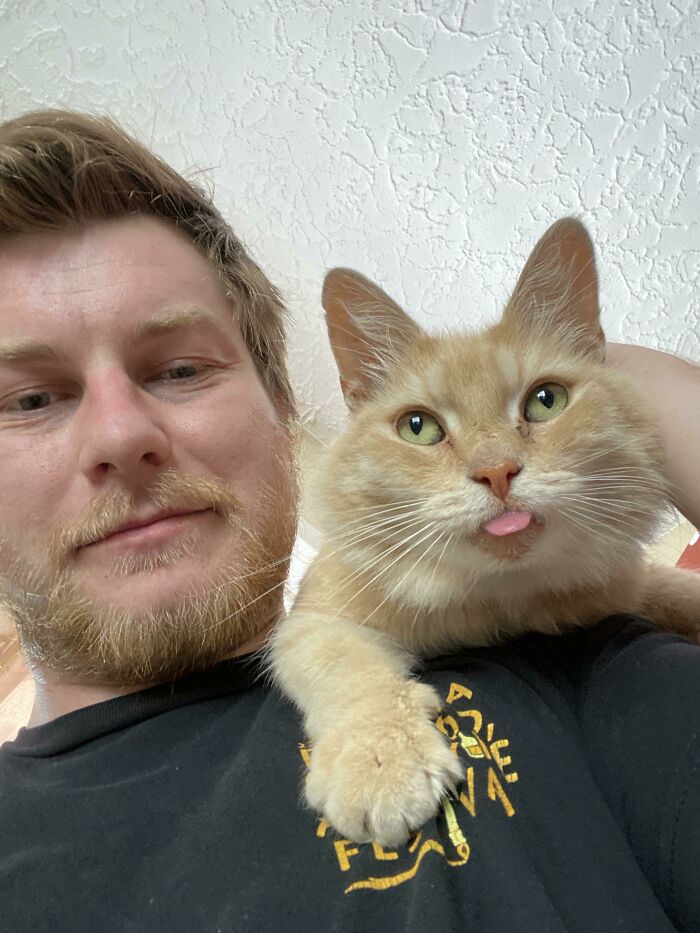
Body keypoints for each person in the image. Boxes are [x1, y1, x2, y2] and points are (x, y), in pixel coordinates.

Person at [0, 110, 697, 933]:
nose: (121, 435)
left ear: (285, 408)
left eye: (181, 369)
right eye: (30, 398)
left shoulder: (595, 663)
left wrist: (583, 361)